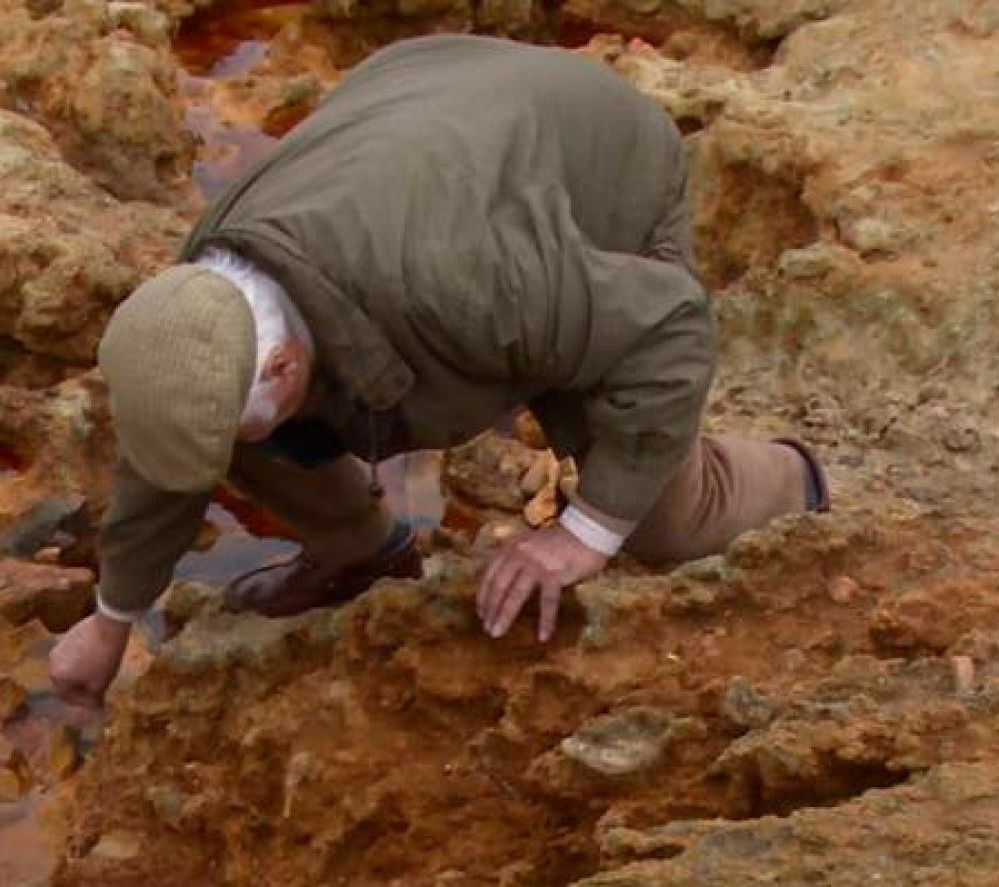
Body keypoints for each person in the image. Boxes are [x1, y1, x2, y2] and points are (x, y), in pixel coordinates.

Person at [49, 35, 828, 708]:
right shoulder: (202, 302)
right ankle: (363, 550)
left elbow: (668, 325)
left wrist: (584, 533)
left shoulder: (467, 284)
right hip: (424, 100)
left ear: (285, 363)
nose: (218, 453)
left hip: (596, 163)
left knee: (653, 514)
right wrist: (110, 619)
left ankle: (801, 483)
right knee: (224, 423)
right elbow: (170, 434)